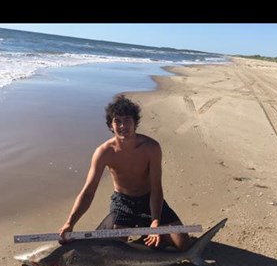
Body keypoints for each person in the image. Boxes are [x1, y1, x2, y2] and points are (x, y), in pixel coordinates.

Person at [59, 94, 190, 250]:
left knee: (183, 244)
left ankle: (148, 228)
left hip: (148, 199)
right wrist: (70, 223)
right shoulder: (104, 152)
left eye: (127, 120)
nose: (123, 125)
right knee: (113, 247)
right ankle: (144, 233)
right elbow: (88, 192)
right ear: (111, 125)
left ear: (135, 123)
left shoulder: (151, 148)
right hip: (123, 202)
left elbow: (156, 188)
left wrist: (155, 220)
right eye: (117, 121)